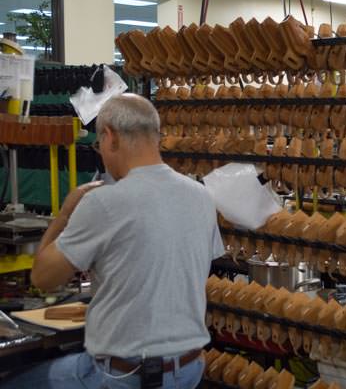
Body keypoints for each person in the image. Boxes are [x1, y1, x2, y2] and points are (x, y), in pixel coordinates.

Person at [2, 94, 224, 389]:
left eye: (98, 145)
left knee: (14, 381)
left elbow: (43, 278)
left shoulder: (104, 202)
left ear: (109, 137)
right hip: (188, 369)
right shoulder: (201, 196)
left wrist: (66, 211)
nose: (102, 155)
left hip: (124, 376)